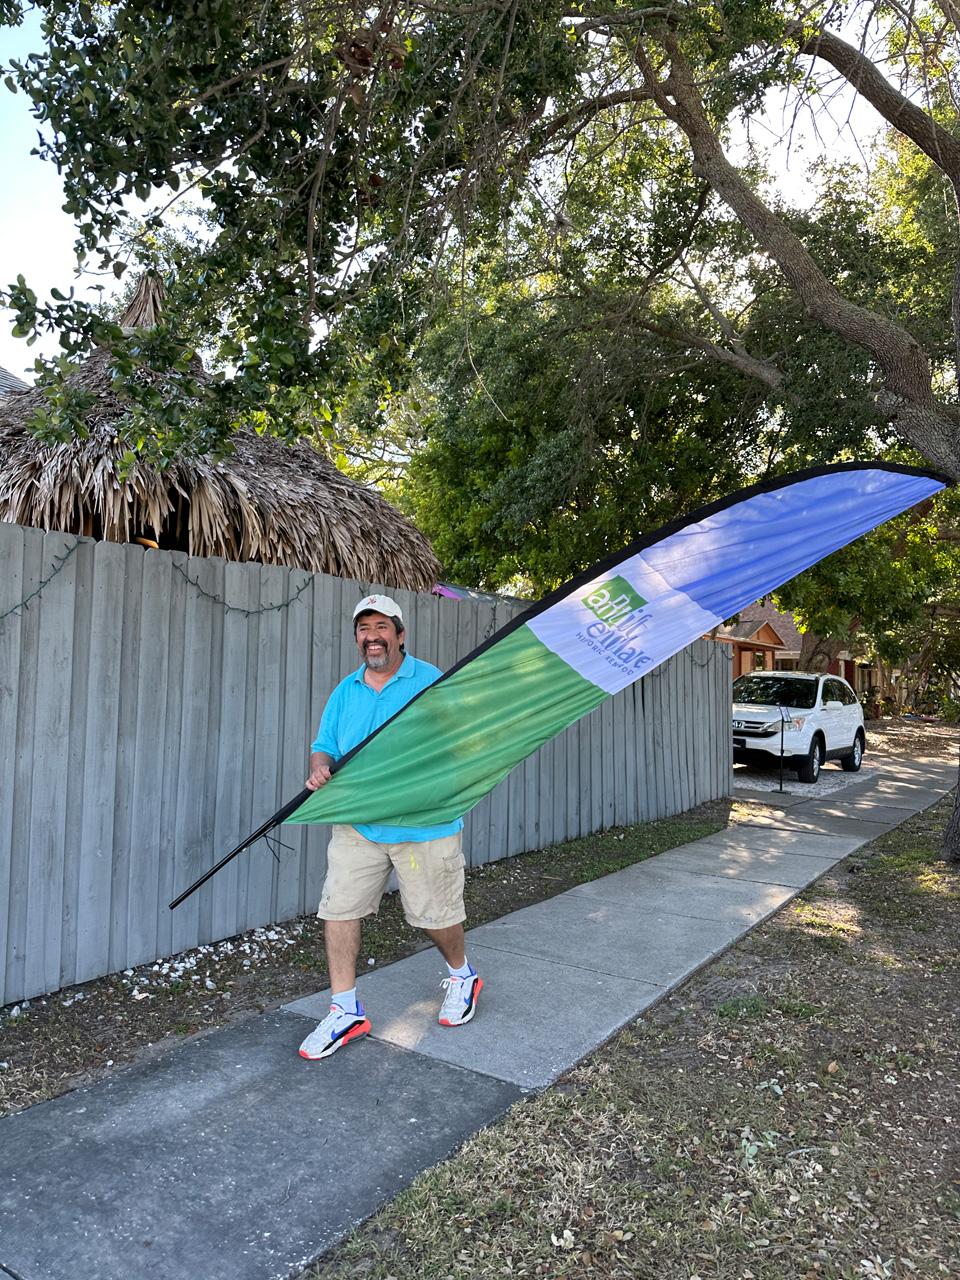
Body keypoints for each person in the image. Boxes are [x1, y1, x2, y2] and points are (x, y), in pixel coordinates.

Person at [297, 594, 483, 1060]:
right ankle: (345, 1011)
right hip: (359, 824)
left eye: (382, 627)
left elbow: (464, 740)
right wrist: (321, 767)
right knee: (338, 910)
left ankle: (463, 975)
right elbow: (324, 745)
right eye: (364, 629)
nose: (372, 636)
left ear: (400, 635)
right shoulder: (347, 691)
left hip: (424, 825)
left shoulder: (431, 683)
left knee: (435, 917)